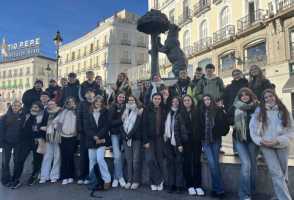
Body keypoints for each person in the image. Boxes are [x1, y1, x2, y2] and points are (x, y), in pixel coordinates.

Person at [250, 89, 293, 200]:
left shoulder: (284, 110)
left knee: (283, 174)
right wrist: (260, 141)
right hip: (266, 146)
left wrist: (278, 140)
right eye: (266, 98)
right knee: (276, 173)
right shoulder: (259, 112)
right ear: (263, 100)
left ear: (275, 96)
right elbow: (253, 130)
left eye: (271, 96)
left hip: (282, 145)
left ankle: (277, 195)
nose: (269, 99)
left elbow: (291, 131)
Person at [197, 94, 229, 198]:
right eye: (204, 99)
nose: (206, 101)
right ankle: (220, 190)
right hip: (205, 141)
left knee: (215, 164)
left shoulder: (218, 110)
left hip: (215, 140)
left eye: (208, 99)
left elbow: (225, 124)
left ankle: (216, 189)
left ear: (211, 100)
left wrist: (220, 133)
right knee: (212, 164)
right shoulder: (200, 111)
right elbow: (197, 126)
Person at [233, 88, 258, 200]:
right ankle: (244, 195)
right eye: (241, 95)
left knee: (253, 166)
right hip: (240, 140)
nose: (244, 96)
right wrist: (234, 122)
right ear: (239, 97)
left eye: (246, 94)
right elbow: (228, 118)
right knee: (246, 165)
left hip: (253, 140)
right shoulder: (236, 106)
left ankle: (252, 191)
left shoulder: (257, 107)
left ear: (250, 95)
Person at [84, 95, 112, 190]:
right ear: (94, 102)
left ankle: (107, 179)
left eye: (100, 101)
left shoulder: (105, 112)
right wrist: (94, 136)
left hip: (102, 139)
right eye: (96, 101)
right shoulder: (89, 113)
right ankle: (93, 180)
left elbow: (106, 126)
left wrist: (99, 136)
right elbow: (86, 127)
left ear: (102, 103)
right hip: (91, 140)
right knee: (92, 161)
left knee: (100, 159)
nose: (98, 103)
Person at [179, 95, 205, 196]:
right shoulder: (180, 113)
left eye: (188, 100)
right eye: (184, 100)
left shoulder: (198, 111)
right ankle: (189, 185)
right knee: (187, 163)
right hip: (185, 141)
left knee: (196, 162)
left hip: (196, 141)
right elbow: (177, 129)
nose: (186, 102)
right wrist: (179, 143)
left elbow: (202, 125)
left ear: (192, 101)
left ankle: (198, 185)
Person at [142, 93, 166, 191]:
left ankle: (157, 181)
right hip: (149, 139)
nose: (157, 100)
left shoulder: (163, 109)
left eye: (159, 99)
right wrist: (145, 141)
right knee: (149, 159)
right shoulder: (147, 109)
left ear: (161, 100)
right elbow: (143, 126)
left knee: (159, 159)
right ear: (152, 99)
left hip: (160, 138)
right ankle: (158, 180)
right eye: (155, 98)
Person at [0, 100, 26, 189]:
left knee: (17, 161)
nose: (16, 107)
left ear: (20, 107)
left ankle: (15, 179)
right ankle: (5, 180)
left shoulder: (23, 116)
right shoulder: (4, 117)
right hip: (6, 142)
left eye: (18, 106)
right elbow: (1, 131)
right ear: (11, 106)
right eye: (14, 105)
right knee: (5, 162)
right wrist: (1, 143)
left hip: (18, 142)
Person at [223, 69, 249, 155]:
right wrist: (228, 110)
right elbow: (225, 100)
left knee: (247, 129)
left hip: (246, 110)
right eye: (234, 74)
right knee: (236, 130)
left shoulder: (247, 84)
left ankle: (248, 148)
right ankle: (236, 150)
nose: (236, 75)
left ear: (241, 74)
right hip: (233, 112)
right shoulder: (229, 87)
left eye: (238, 73)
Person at [121, 95, 143, 190]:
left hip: (136, 138)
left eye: (132, 100)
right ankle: (129, 180)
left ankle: (136, 181)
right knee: (129, 160)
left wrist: (129, 135)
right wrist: (125, 136)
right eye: (129, 100)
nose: (130, 101)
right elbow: (121, 124)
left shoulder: (139, 111)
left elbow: (138, 125)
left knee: (135, 161)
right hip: (125, 139)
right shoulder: (125, 110)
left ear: (135, 101)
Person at [163, 97, 185, 193]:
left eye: (177, 102)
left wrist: (180, 143)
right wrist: (165, 133)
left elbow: (183, 129)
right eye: (173, 101)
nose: (175, 103)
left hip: (178, 142)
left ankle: (179, 185)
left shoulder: (181, 113)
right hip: (168, 140)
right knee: (170, 163)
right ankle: (171, 184)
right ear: (171, 103)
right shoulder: (168, 112)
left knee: (179, 163)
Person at [22, 101, 45, 186]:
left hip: (37, 141)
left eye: (36, 107)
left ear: (40, 109)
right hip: (27, 141)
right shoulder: (27, 116)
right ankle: (17, 176)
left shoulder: (42, 117)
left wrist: (39, 137)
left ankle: (34, 176)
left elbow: (44, 128)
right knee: (21, 158)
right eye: (33, 107)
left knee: (37, 160)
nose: (34, 109)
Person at [39, 100, 62, 183]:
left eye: (52, 104)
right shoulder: (45, 112)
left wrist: (48, 127)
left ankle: (54, 176)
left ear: (56, 104)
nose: (50, 105)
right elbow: (41, 124)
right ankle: (44, 176)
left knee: (57, 156)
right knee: (47, 156)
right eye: (49, 104)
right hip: (47, 137)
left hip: (58, 136)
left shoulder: (61, 111)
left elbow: (60, 125)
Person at [77, 89, 96, 184]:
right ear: (85, 96)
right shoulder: (82, 104)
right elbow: (78, 117)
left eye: (91, 94)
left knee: (91, 157)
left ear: (94, 95)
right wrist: (80, 130)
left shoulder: (96, 103)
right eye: (87, 94)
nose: (89, 95)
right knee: (83, 156)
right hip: (84, 134)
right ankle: (81, 176)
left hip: (93, 134)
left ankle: (90, 176)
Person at [58, 97, 78, 185]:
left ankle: (71, 175)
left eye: (72, 102)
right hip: (63, 137)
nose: (70, 104)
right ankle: (64, 176)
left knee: (70, 156)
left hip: (73, 137)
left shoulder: (77, 111)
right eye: (68, 102)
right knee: (64, 157)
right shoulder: (63, 112)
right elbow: (58, 123)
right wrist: (59, 132)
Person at [108, 92, 126, 188]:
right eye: (120, 97)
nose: (122, 98)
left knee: (120, 156)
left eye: (123, 97)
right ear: (116, 98)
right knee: (117, 156)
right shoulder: (112, 107)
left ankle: (116, 177)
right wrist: (121, 121)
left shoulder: (126, 107)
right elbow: (110, 122)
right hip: (115, 134)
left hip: (124, 135)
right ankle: (119, 177)